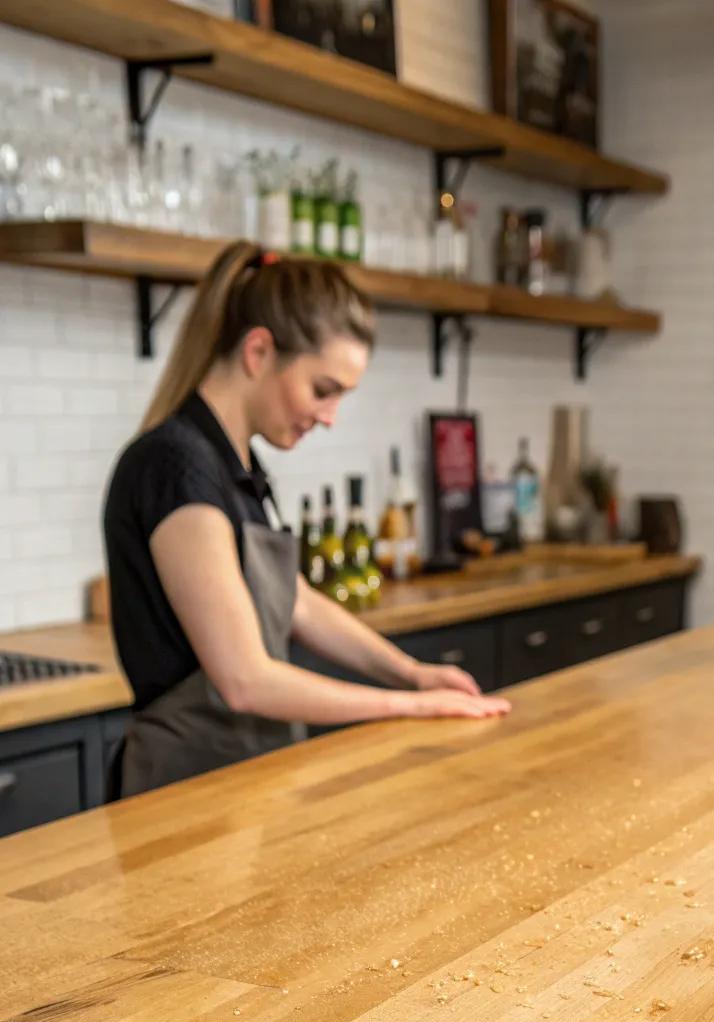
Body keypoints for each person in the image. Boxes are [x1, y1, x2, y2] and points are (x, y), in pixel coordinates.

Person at [103, 240, 509, 799]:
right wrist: (409, 706)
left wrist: (411, 672)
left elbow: (294, 601)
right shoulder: (175, 467)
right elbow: (244, 680)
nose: (330, 417)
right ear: (258, 352)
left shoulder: (233, 464)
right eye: (323, 390)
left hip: (245, 778)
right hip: (185, 788)